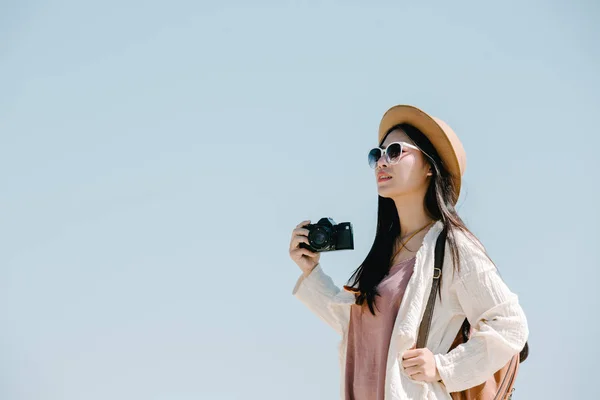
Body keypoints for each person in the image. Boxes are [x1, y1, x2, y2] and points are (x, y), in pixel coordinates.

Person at [288, 105, 529, 400]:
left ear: (430, 165)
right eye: (376, 154)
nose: (381, 162)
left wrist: (443, 368)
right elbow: (358, 330)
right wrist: (311, 272)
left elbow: (510, 325)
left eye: (395, 151)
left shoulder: (452, 246)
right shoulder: (386, 252)